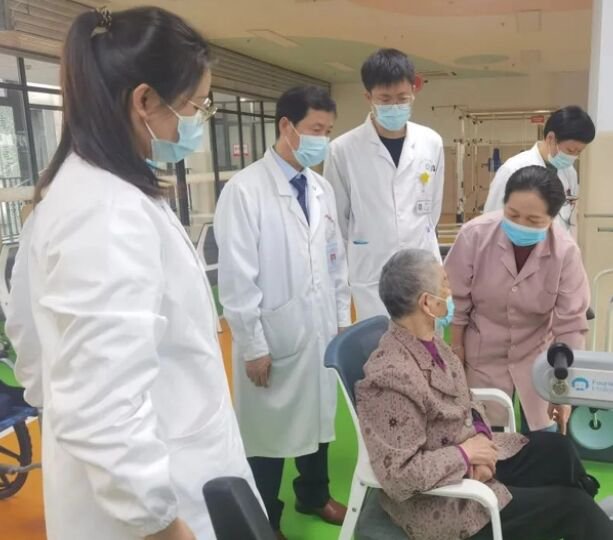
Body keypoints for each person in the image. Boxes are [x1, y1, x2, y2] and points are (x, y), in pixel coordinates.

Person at [5, 8, 258, 540]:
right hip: (157, 500)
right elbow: (102, 405)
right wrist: (159, 522)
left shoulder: (79, 191)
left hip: (143, 472)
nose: (197, 122)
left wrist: (66, 413)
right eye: (194, 106)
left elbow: (29, 345)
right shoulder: (107, 212)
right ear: (144, 100)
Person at [356, 248, 613, 540]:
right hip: (443, 501)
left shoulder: (430, 341)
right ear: (427, 303)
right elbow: (400, 476)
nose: (451, 292)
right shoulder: (389, 377)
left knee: (559, 451)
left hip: (472, 455)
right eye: (444, 284)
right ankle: (582, 521)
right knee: (574, 508)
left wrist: (479, 437)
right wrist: (465, 455)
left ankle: (587, 527)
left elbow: (465, 396)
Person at [214, 86, 351, 540]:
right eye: (315, 129)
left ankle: (314, 494)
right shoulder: (245, 190)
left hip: (320, 330)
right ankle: (265, 519)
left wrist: (342, 326)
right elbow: (237, 278)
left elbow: (335, 262)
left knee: (319, 421)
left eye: (328, 131)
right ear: (286, 127)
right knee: (266, 437)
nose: (322, 140)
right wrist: (253, 345)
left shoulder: (321, 188)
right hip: (272, 336)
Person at [445, 165, 590, 433]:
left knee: (543, 437)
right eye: (512, 214)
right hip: (482, 354)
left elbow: (571, 325)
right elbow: (456, 302)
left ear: (552, 218)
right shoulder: (475, 235)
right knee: (486, 437)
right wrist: (456, 353)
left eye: (533, 220)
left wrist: (563, 391)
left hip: (537, 356)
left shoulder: (565, 252)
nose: (520, 224)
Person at [324, 48, 445, 321]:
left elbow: (433, 210)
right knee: (378, 341)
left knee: (424, 340)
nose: (394, 106)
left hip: (421, 265)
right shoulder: (342, 150)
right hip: (372, 271)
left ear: (413, 92)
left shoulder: (431, 142)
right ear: (368, 97)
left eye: (402, 98)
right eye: (385, 99)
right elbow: (338, 221)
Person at [483, 106, 596, 234]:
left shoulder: (569, 173)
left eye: (578, 152)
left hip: (556, 245)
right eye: (570, 150)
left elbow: (567, 220)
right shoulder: (512, 169)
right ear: (551, 138)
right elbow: (491, 224)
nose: (573, 156)